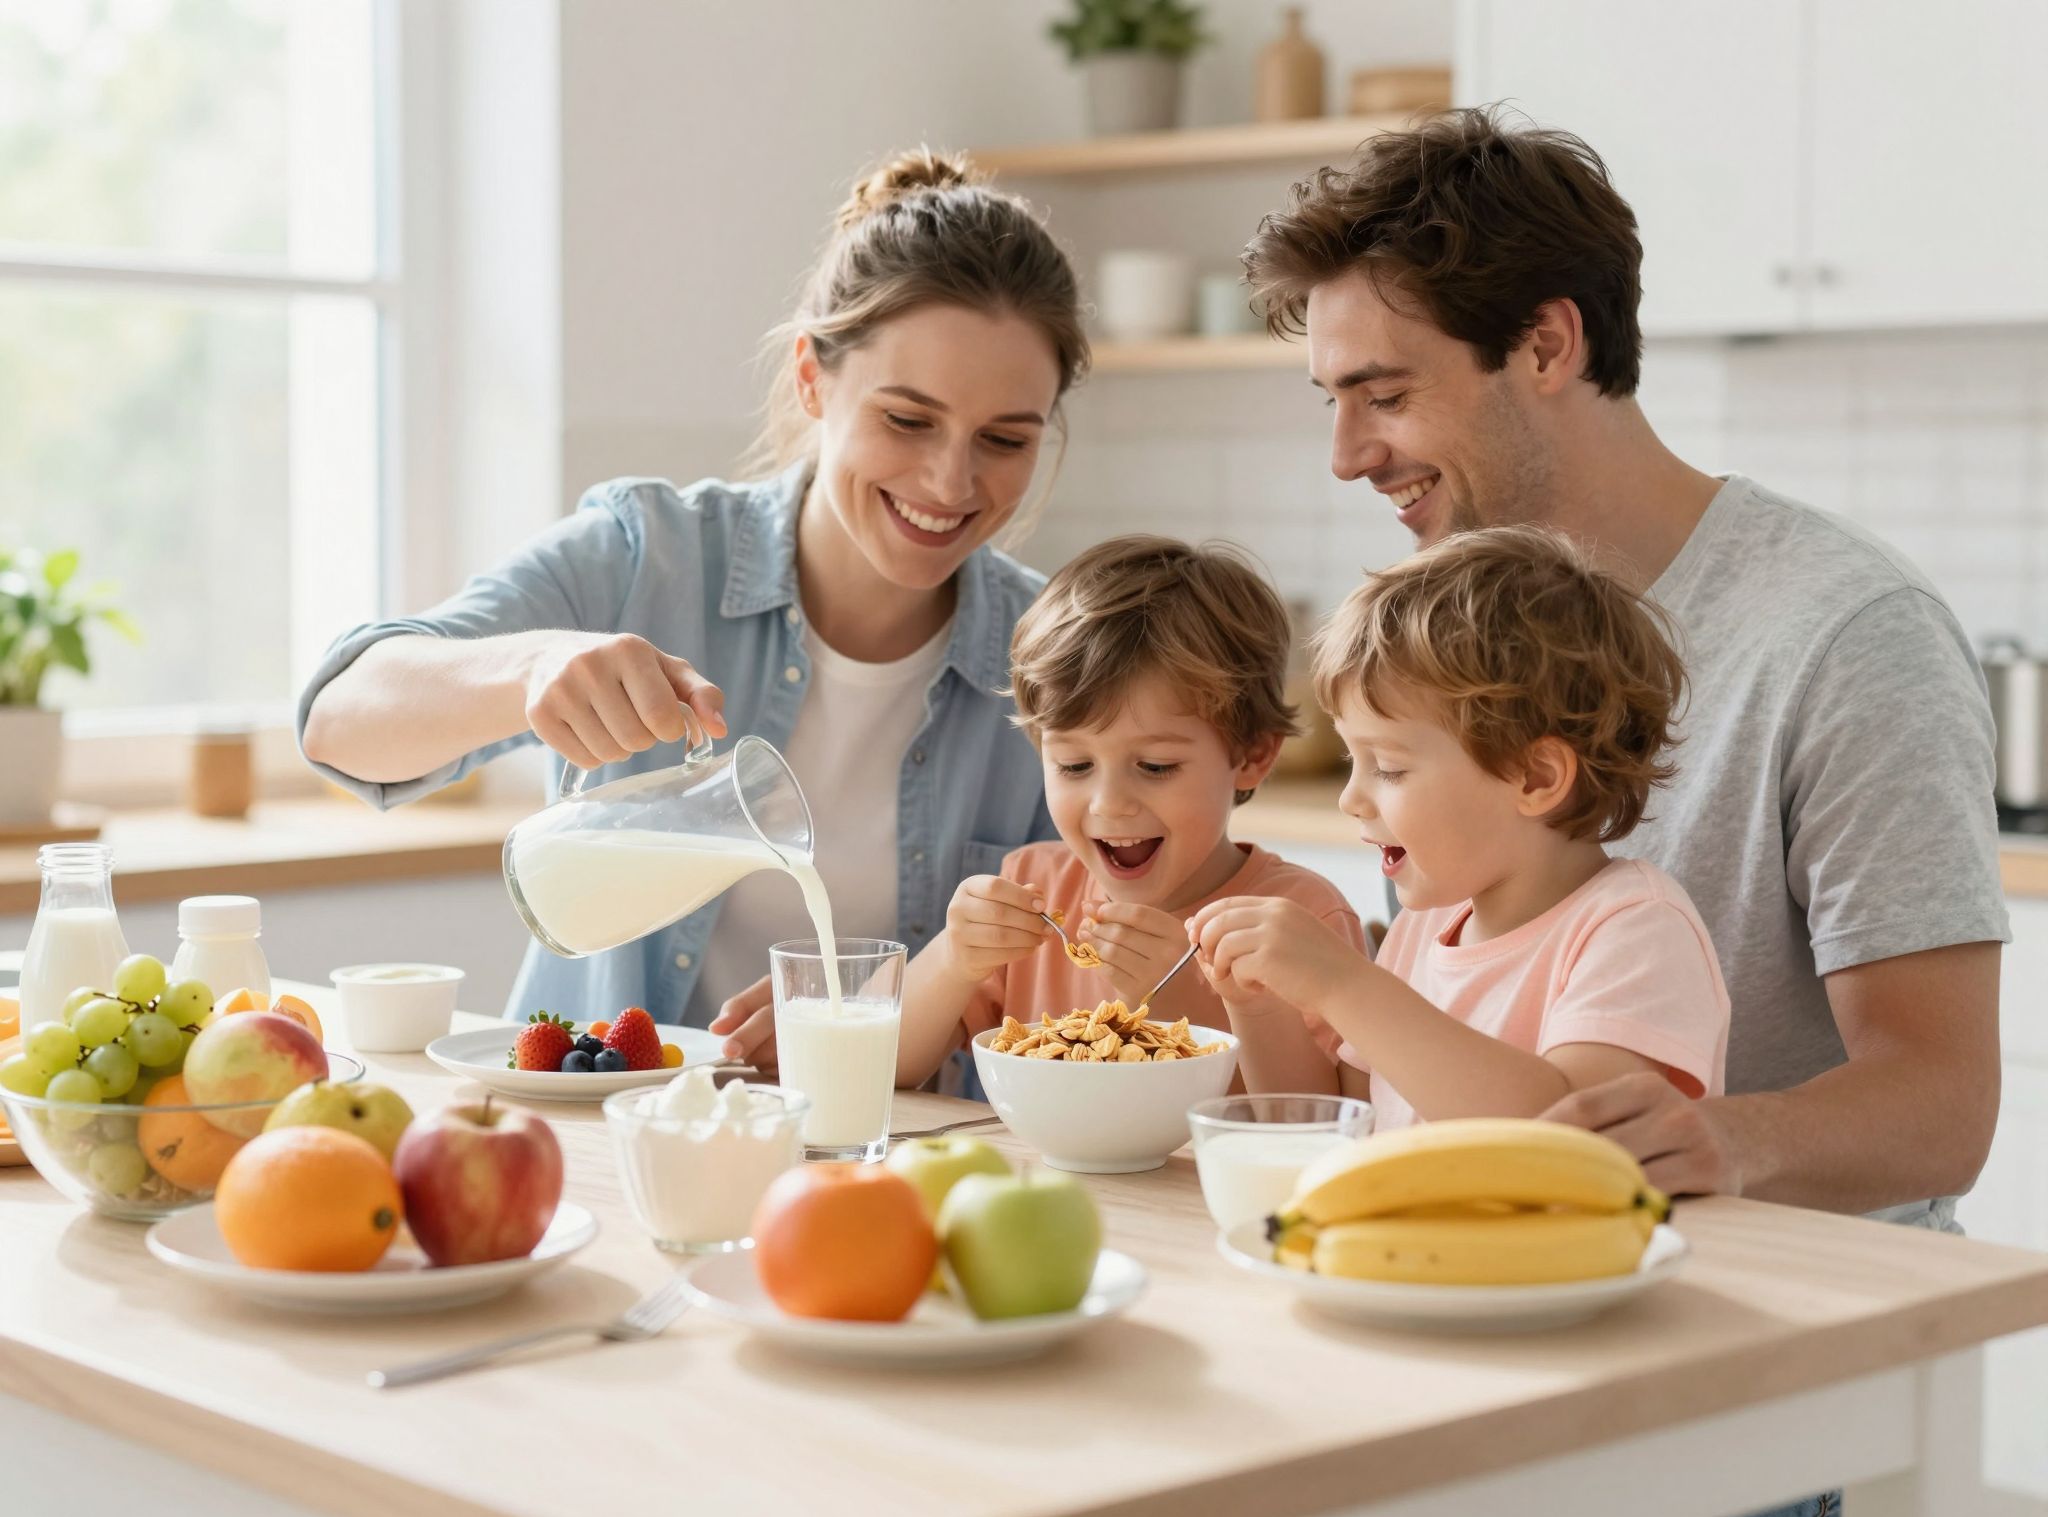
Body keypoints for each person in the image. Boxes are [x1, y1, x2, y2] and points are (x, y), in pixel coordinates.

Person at [1240, 105, 2004, 1232]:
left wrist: (1724, 1138)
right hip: (1510, 1269)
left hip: (1787, 1314)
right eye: (1333, 402)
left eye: (1386, 396)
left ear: (1546, 345)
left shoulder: (1844, 633)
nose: (1348, 455)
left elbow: (1941, 1107)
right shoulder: (1445, 647)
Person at [299, 150, 1088, 1047]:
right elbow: (339, 717)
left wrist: (901, 1012)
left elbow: (1072, 1002)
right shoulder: (651, 560)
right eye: (907, 420)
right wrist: (531, 666)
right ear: (810, 378)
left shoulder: (1051, 661)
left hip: (898, 1164)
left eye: (1005, 439)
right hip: (606, 1135)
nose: (951, 480)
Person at [1190, 525, 1728, 1124]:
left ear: (1534, 777)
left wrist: (1345, 986)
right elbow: (1337, 1126)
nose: (1350, 799)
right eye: (1352, 759)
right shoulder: (1426, 926)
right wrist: (1259, 1007)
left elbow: (1582, 1136)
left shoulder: (1634, 930)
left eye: (1389, 767)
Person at [881, 536, 1365, 1089]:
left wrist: (1186, 1007)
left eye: (1156, 766)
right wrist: (954, 959)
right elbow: (883, 1073)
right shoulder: (1037, 890)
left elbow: (1315, 1123)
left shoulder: (1302, 919)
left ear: (1253, 756)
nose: (1109, 803)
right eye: (1074, 765)